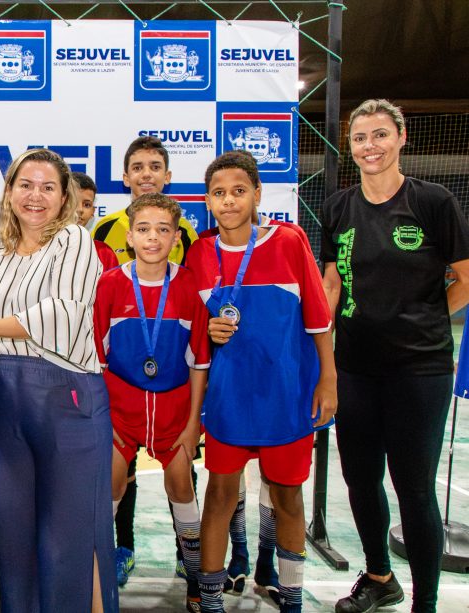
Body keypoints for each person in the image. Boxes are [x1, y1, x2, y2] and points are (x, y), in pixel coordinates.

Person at [0, 148, 116, 612]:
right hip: (7, 404)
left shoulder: (74, 241)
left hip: (69, 402)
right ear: (9, 191)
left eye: (47, 187)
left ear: (64, 198)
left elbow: (61, 312)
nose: (35, 195)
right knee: (15, 535)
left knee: (72, 537)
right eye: (26, 184)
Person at [322, 99, 469, 613]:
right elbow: (333, 282)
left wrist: (424, 317)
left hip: (419, 371)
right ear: (350, 145)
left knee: (413, 488)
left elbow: (466, 279)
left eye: (380, 135)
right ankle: (380, 578)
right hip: (356, 367)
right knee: (360, 480)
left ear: (401, 138)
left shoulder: (433, 202)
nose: (370, 147)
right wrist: (321, 347)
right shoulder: (338, 206)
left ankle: (424, 603)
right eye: (360, 138)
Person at [186, 151, 336, 613]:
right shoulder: (200, 253)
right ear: (207, 201)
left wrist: (327, 379)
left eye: (238, 191)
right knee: (220, 496)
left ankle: (291, 596)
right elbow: (197, 336)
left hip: (286, 397)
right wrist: (211, 332)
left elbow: (317, 317)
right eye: (218, 193)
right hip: (231, 398)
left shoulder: (289, 242)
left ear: (256, 194)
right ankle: (210, 599)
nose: (228, 201)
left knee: (287, 496)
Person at [93, 193, 210, 611]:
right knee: (109, 486)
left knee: (181, 487)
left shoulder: (191, 285)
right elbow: (98, 358)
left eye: (163, 229)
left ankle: (196, 578)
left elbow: (199, 361)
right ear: (130, 235)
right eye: (143, 229)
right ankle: (99, 581)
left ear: (176, 237)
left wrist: (194, 420)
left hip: (175, 411)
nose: (153, 237)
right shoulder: (109, 284)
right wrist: (102, 417)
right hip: (120, 410)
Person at [91, 136, 199, 267]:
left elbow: (193, 281)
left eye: (155, 167)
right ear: (126, 178)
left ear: (167, 176)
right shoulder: (105, 228)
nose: (146, 174)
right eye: (137, 168)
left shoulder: (184, 230)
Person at [73, 172, 118, 272]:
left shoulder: (104, 253)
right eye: (73, 202)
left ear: (93, 211)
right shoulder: (42, 247)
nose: (80, 209)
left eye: (87, 205)